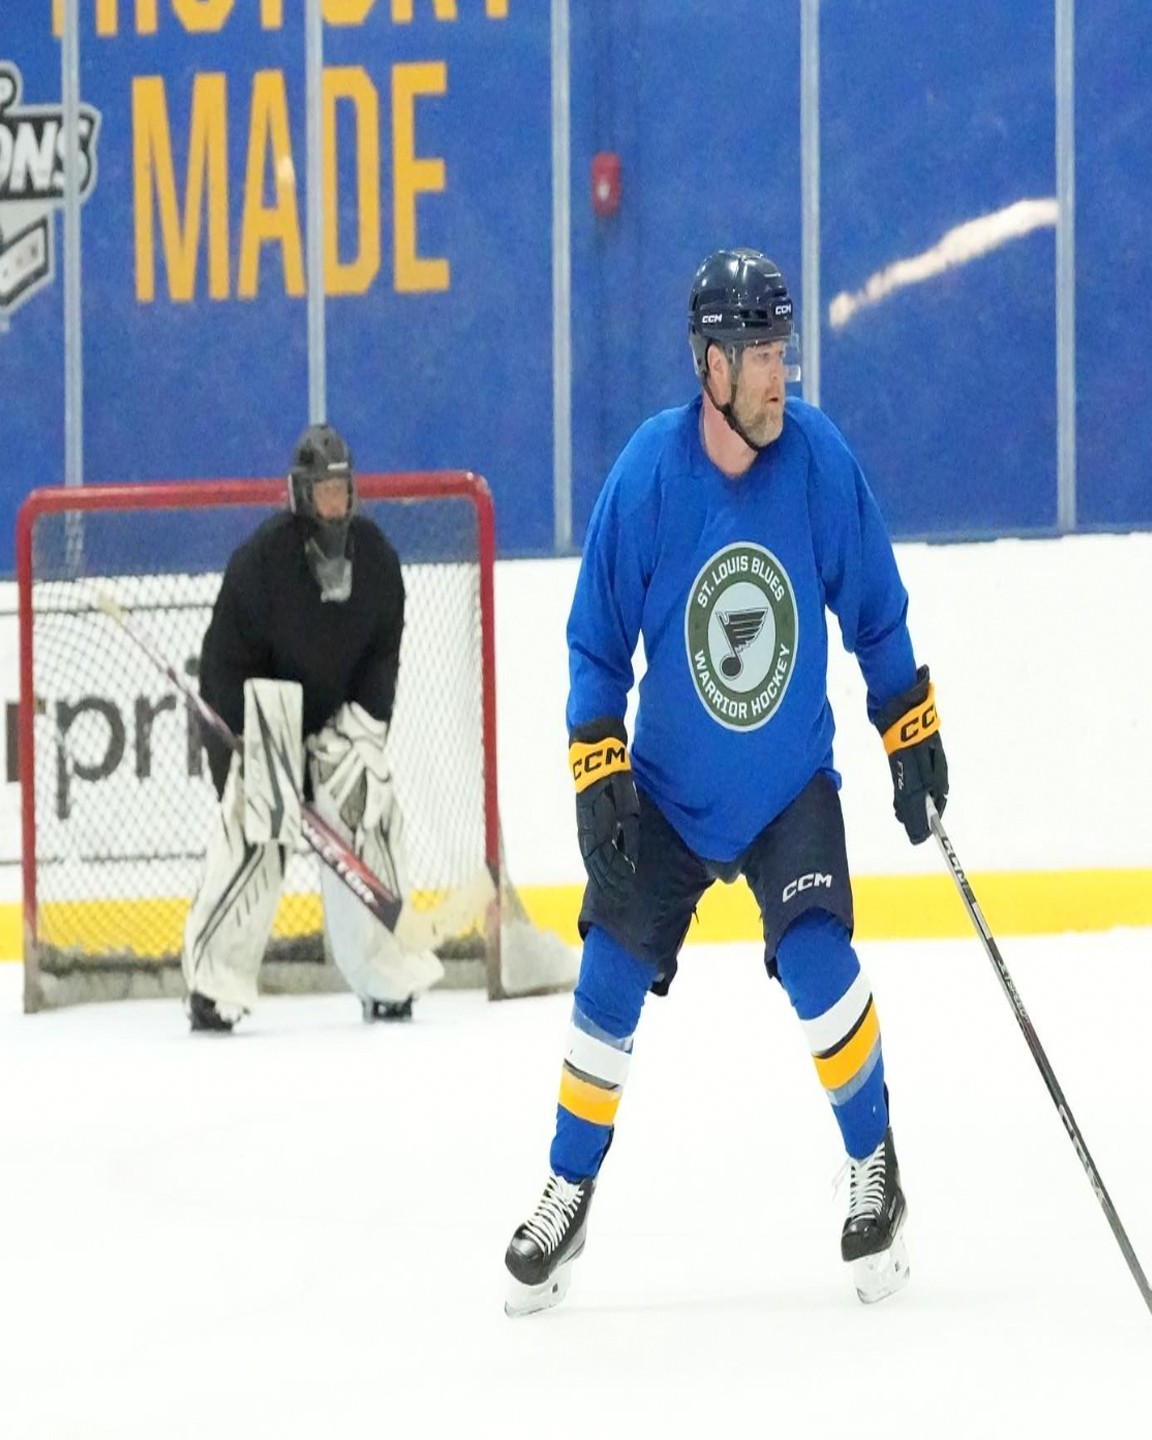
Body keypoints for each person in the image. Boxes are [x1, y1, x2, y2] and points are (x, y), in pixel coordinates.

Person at [503, 248, 948, 1315]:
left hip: (787, 786)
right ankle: (568, 1189)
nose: (776, 373)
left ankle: (875, 1165)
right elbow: (596, 643)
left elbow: (874, 606)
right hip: (666, 793)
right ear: (708, 363)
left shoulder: (817, 459)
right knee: (607, 975)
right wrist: (597, 764)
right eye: (755, 353)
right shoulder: (650, 475)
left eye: (781, 349)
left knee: (818, 960)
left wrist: (909, 725)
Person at [182, 422, 443, 1033]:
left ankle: (384, 974)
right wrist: (250, 753)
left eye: (341, 490)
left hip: (333, 721)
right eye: (324, 492)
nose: (335, 503)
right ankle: (214, 983)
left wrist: (364, 731)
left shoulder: (377, 562)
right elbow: (221, 667)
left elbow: (382, 659)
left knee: (368, 800)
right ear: (301, 495)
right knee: (256, 824)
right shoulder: (260, 564)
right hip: (261, 717)